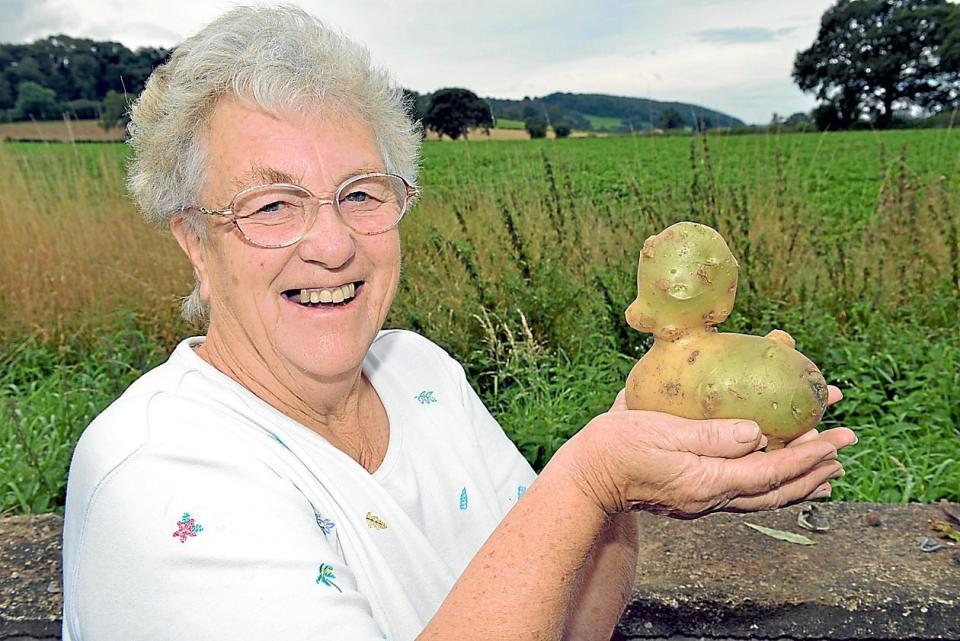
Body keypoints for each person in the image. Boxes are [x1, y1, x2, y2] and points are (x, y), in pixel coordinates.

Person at [60, 6, 856, 641]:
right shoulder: (156, 476)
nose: (333, 244)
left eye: (362, 193)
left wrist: (625, 461)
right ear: (196, 242)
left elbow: (573, 621)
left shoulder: (420, 373)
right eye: (272, 205)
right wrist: (588, 482)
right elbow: (572, 502)